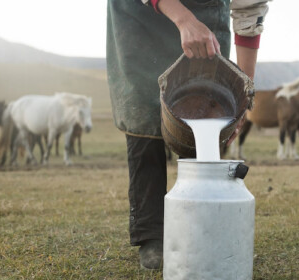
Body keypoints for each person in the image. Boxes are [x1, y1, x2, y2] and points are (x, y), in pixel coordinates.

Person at [106, 0, 269, 270]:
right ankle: (152, 237)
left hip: (207, 20)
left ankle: (200, 227)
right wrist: (184, 20)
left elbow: (249, 11)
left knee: (208, 102)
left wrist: (244, 89)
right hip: (141, 18)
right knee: (145, 115)